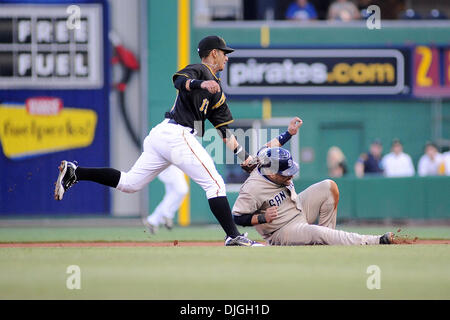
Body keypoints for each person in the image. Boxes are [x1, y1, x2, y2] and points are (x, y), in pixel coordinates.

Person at [54, 35, 262, 247]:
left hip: (163, 136)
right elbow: (179, 81)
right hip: (176, 134)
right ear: (214, 53)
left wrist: (244, 158)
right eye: (224, 53)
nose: (227, 58)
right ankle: (233, 236)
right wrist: (201, 84)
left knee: (129, 183)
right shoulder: (200, 70)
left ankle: (76, 172)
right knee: (215, 184)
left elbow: (225, 131)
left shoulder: (217, 92)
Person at [232, 118, 395, 246]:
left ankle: (324, 243)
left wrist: (289, 133)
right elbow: (237, 217)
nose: (291, 177)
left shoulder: (263, 157)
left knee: (328, 187)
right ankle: (374, 240)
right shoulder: (252, 188)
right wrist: (261, 218)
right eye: (286, 174)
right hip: (282, 230)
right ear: (272, 173)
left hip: (298, 208)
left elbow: (272, 146)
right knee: (317, 232)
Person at [144, 165, 188, 233]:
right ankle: (166, 214)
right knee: (182, 190)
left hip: (171, 167)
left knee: (171, 194)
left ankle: (152, 220)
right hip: (170, 166)